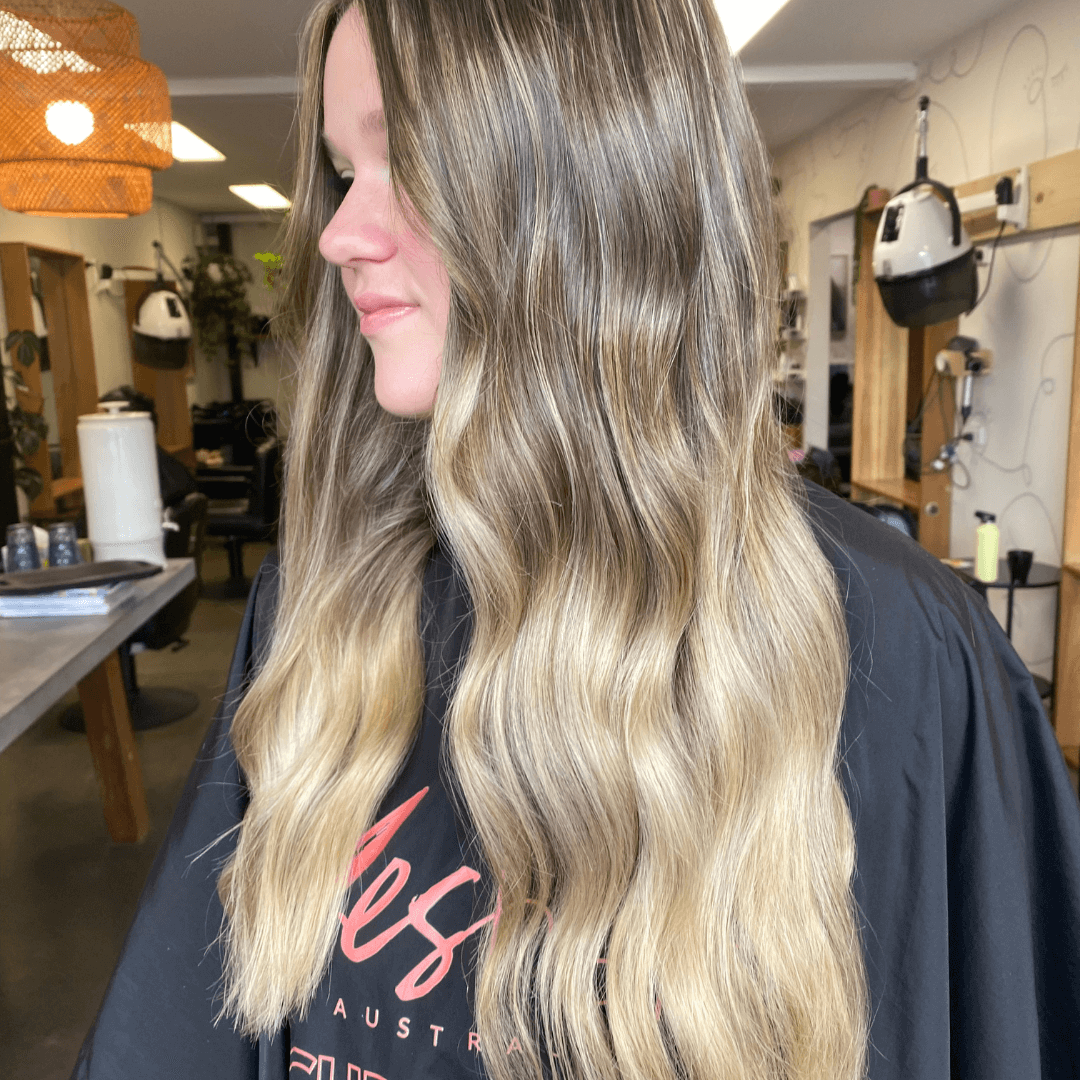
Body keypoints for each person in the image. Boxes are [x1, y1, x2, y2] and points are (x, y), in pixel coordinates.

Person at [73, 2, 1080, 1078]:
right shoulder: (325, 610)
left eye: (403, 160)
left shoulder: (902, 648)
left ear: (592, 191)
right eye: (341, 170)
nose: (338, 234)